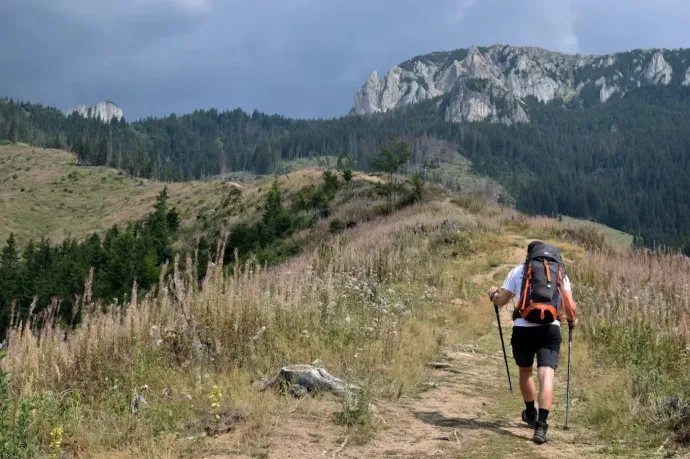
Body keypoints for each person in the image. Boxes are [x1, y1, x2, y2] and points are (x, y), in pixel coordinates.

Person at [487, 240, 578, 444]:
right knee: (546, 376)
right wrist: (572, 320)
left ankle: (530, 413)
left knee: (525, 371)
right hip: (550, 328)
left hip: (523, 328)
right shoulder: (559, 272)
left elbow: (501, 301)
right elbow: (570, 305)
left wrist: (493, 295)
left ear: (528, 255)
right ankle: (542, 426)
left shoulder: (518, 271)